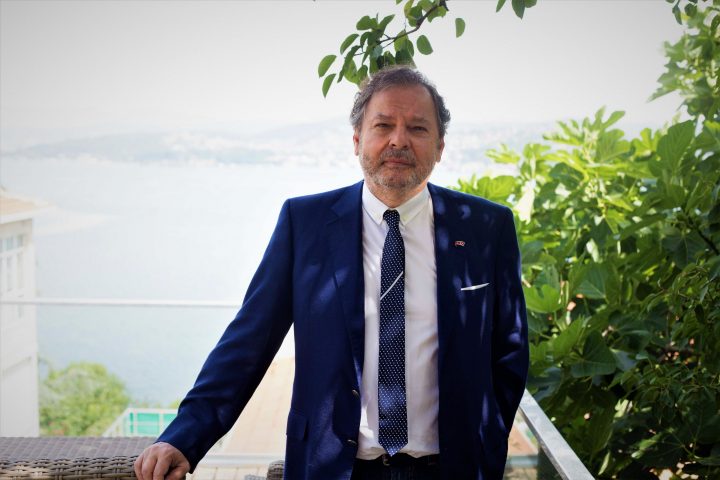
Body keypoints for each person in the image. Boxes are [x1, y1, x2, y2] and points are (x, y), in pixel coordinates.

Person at [134, 65, 528, 480]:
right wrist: (185, 437)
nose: (398, 140)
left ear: (440, 146)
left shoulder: (486, 227)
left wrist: (487, 439)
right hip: (332, 469)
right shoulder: (304, 224)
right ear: (357, 139)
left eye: (417, 128)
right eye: (383, 125)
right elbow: (249, 341)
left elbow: (510, 349)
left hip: (451, 469)